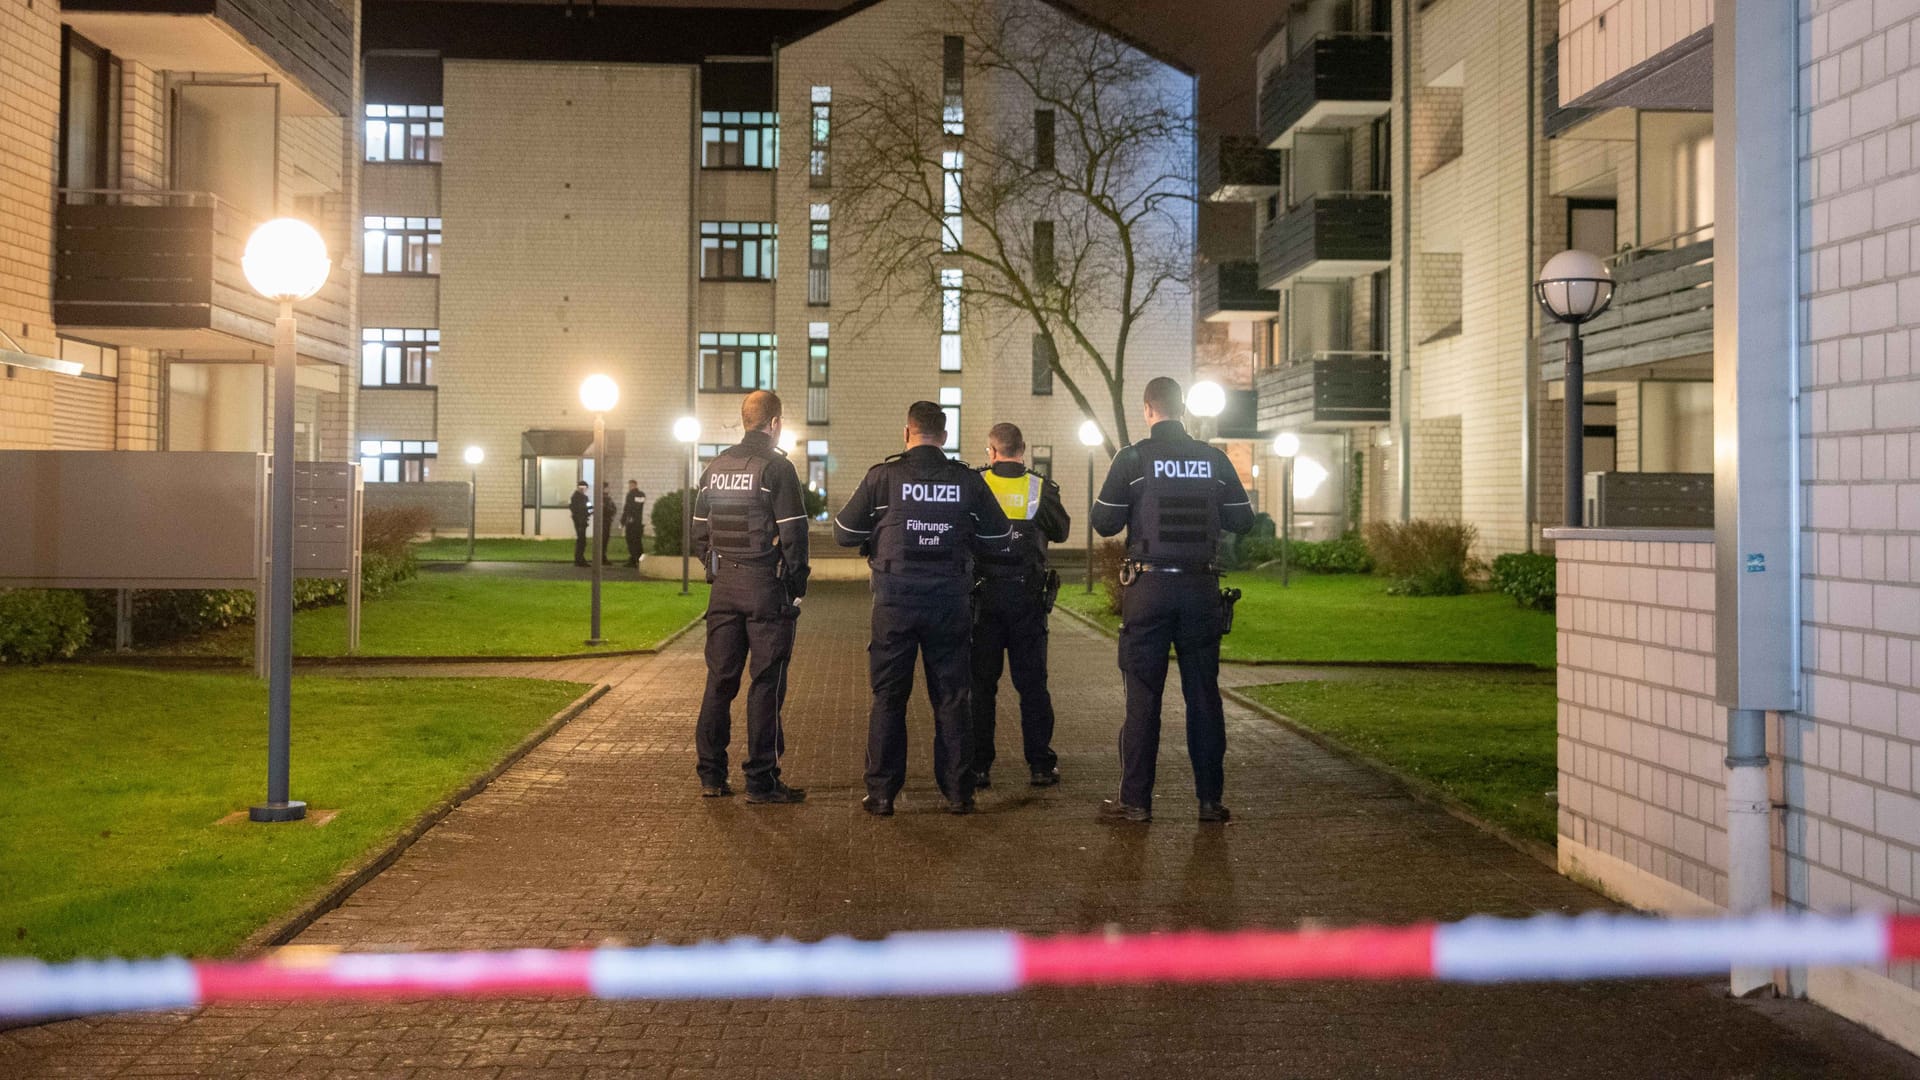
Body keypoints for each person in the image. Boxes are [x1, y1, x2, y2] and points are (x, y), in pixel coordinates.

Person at [834, 401, 1012, 816]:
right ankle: (958, 792)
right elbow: (1001, 535)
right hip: (950, 602)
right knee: (952, 698)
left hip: (895, 603)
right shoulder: (967, 482)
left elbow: (844, 532)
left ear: (906, 433)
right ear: (945, 437)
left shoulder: (883, 478)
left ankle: (881, 794)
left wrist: (877, 534)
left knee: (889, 698)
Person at [1091, 377, 1254, 825]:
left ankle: (1136, 802)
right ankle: (1209, 801)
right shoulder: (1213, 459)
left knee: (1143, 697)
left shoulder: (1134, 459)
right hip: (1200, 590)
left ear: (1148, 410)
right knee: (1203, 696)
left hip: (1149, 588)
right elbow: (1244, 521)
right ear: (1182, 410)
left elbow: (1103, 522)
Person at [690, 390, 810, 804]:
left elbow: (698, 534)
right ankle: (761, 780)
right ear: (774, 423)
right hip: (764, 588)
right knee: (766, 682)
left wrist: (717, 568)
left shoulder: (715, 466)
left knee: (719, 682)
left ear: (745, 421)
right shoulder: (776, 468)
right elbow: (794, 535)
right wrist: (795, 588)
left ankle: (711, 775)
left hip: (724, 590)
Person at [969, 422, 1069, 790]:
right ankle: (1040, 765)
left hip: (984, 601)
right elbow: (1061, 531)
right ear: (1022, 450)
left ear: (991, 452)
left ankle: (979, 767)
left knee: (981, 687)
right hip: (1027, 600)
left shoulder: (977, 484)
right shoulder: (1040, 487)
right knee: (1032, 686)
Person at [621, 481, 647, 568]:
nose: (629, 487)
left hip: (634, 522)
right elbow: (630, 507)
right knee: (635, 542)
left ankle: (637, 560)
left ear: (635, 485)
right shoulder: (638, 494)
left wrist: (624, 520)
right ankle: (636, 559)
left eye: (631, 485)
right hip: (636, 522)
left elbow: (631, 508)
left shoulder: (634, 494)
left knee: (633, 542)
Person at [569, 481, 591, 567]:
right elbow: (579, 509)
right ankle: (579, 559)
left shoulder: (581, 497)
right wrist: (587, 513)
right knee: (581, 540)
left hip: (582, 520)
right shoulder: (577, 497)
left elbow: (589, 508)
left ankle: (579, 558)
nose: (584, 490)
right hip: (580, 521)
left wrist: (588, 512)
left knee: (582, 540)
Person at [598, 483, 616, 565]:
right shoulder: (600, 499)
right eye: (606, 488)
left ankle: (603, 557)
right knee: (602, 540)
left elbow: (614, 509)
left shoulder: (608, 499)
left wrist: (612, 513)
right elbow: (603, 510)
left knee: (605, 540)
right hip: (603, 522)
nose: (608, 490)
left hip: (607, 521)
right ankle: (600, 558)